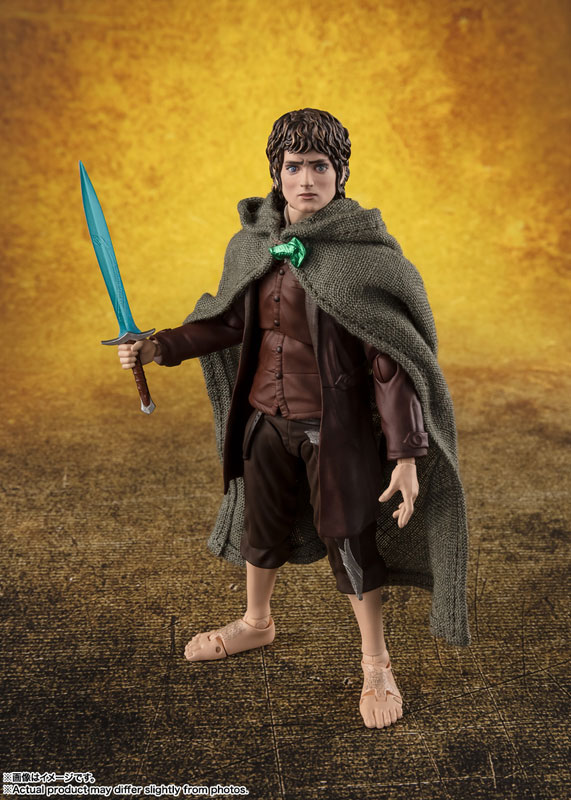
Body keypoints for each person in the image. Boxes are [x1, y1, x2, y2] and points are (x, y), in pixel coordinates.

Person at [118, 108, 470, 730]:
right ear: (276, 173)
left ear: (341, 173)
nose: (306, 180)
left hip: (332, 431)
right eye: (294, 166)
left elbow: (389, 361)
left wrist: (407, 454)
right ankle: (257, 623)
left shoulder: (364, 256)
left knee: (351, 539)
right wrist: (159, 346)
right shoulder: (252, 244)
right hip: (264, 420)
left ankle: (376, 661)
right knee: (261, 528)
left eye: (319, 166)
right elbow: (229, 322)